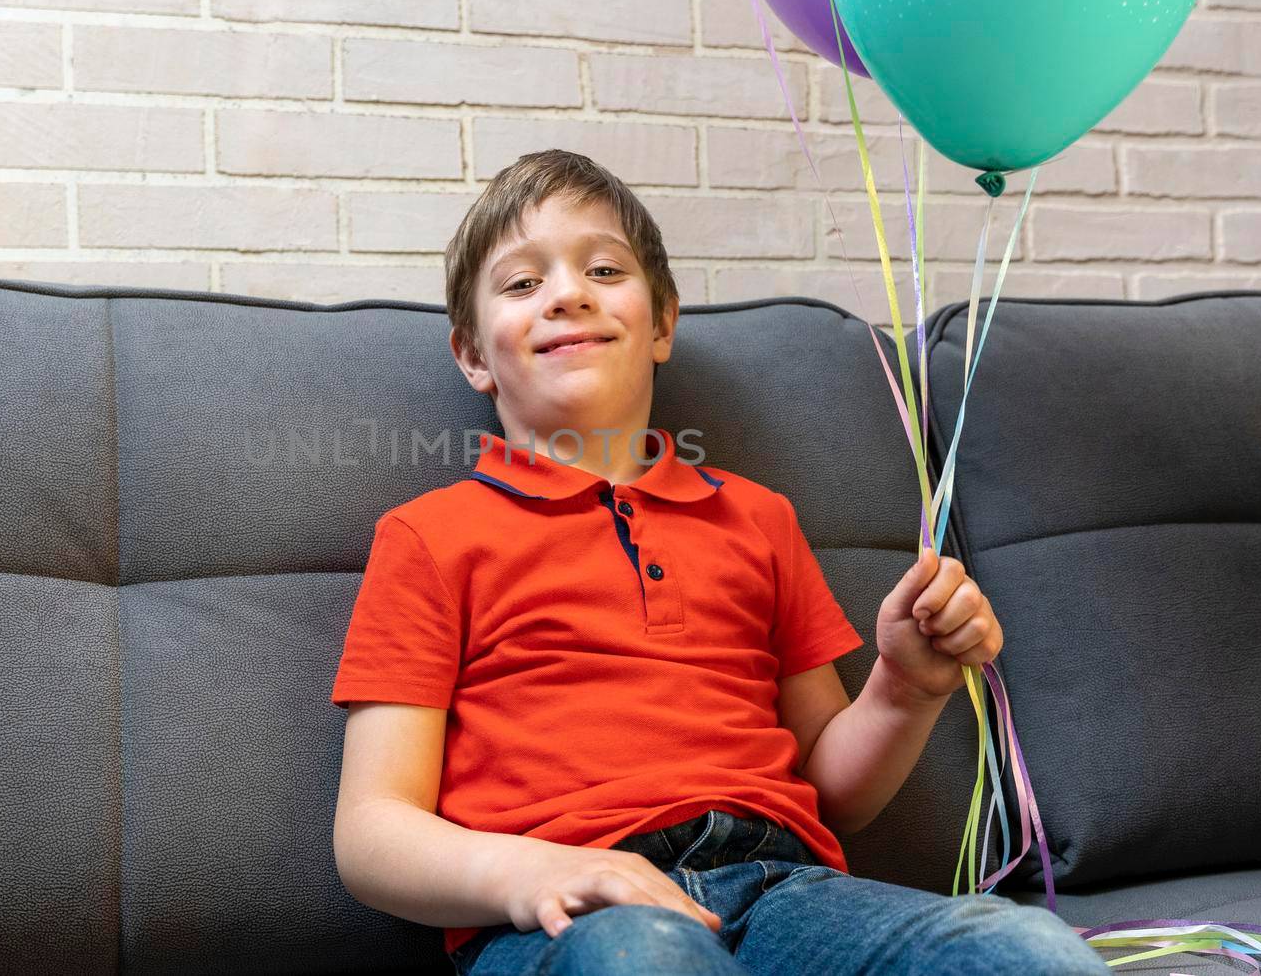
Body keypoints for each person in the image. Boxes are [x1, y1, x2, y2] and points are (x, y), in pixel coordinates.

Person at [328, 149, 1106, 976]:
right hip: (572, 914)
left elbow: (833, 792)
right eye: (522, 284)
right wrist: (531, 872)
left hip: (785, 890)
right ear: (474, 355)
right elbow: (372, 828)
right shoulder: (429, 535)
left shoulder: (757, 518)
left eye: (602, 268)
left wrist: (905, 686)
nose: (567, 293)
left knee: (1022, 948)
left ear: (662, 322)